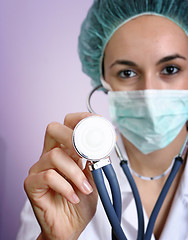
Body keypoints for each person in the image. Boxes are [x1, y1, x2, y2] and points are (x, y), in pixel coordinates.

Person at [17, 0, 188, 239]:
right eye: (127, 73)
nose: (149, 92)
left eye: (170, 69)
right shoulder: (65, 181)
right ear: (104, 82)